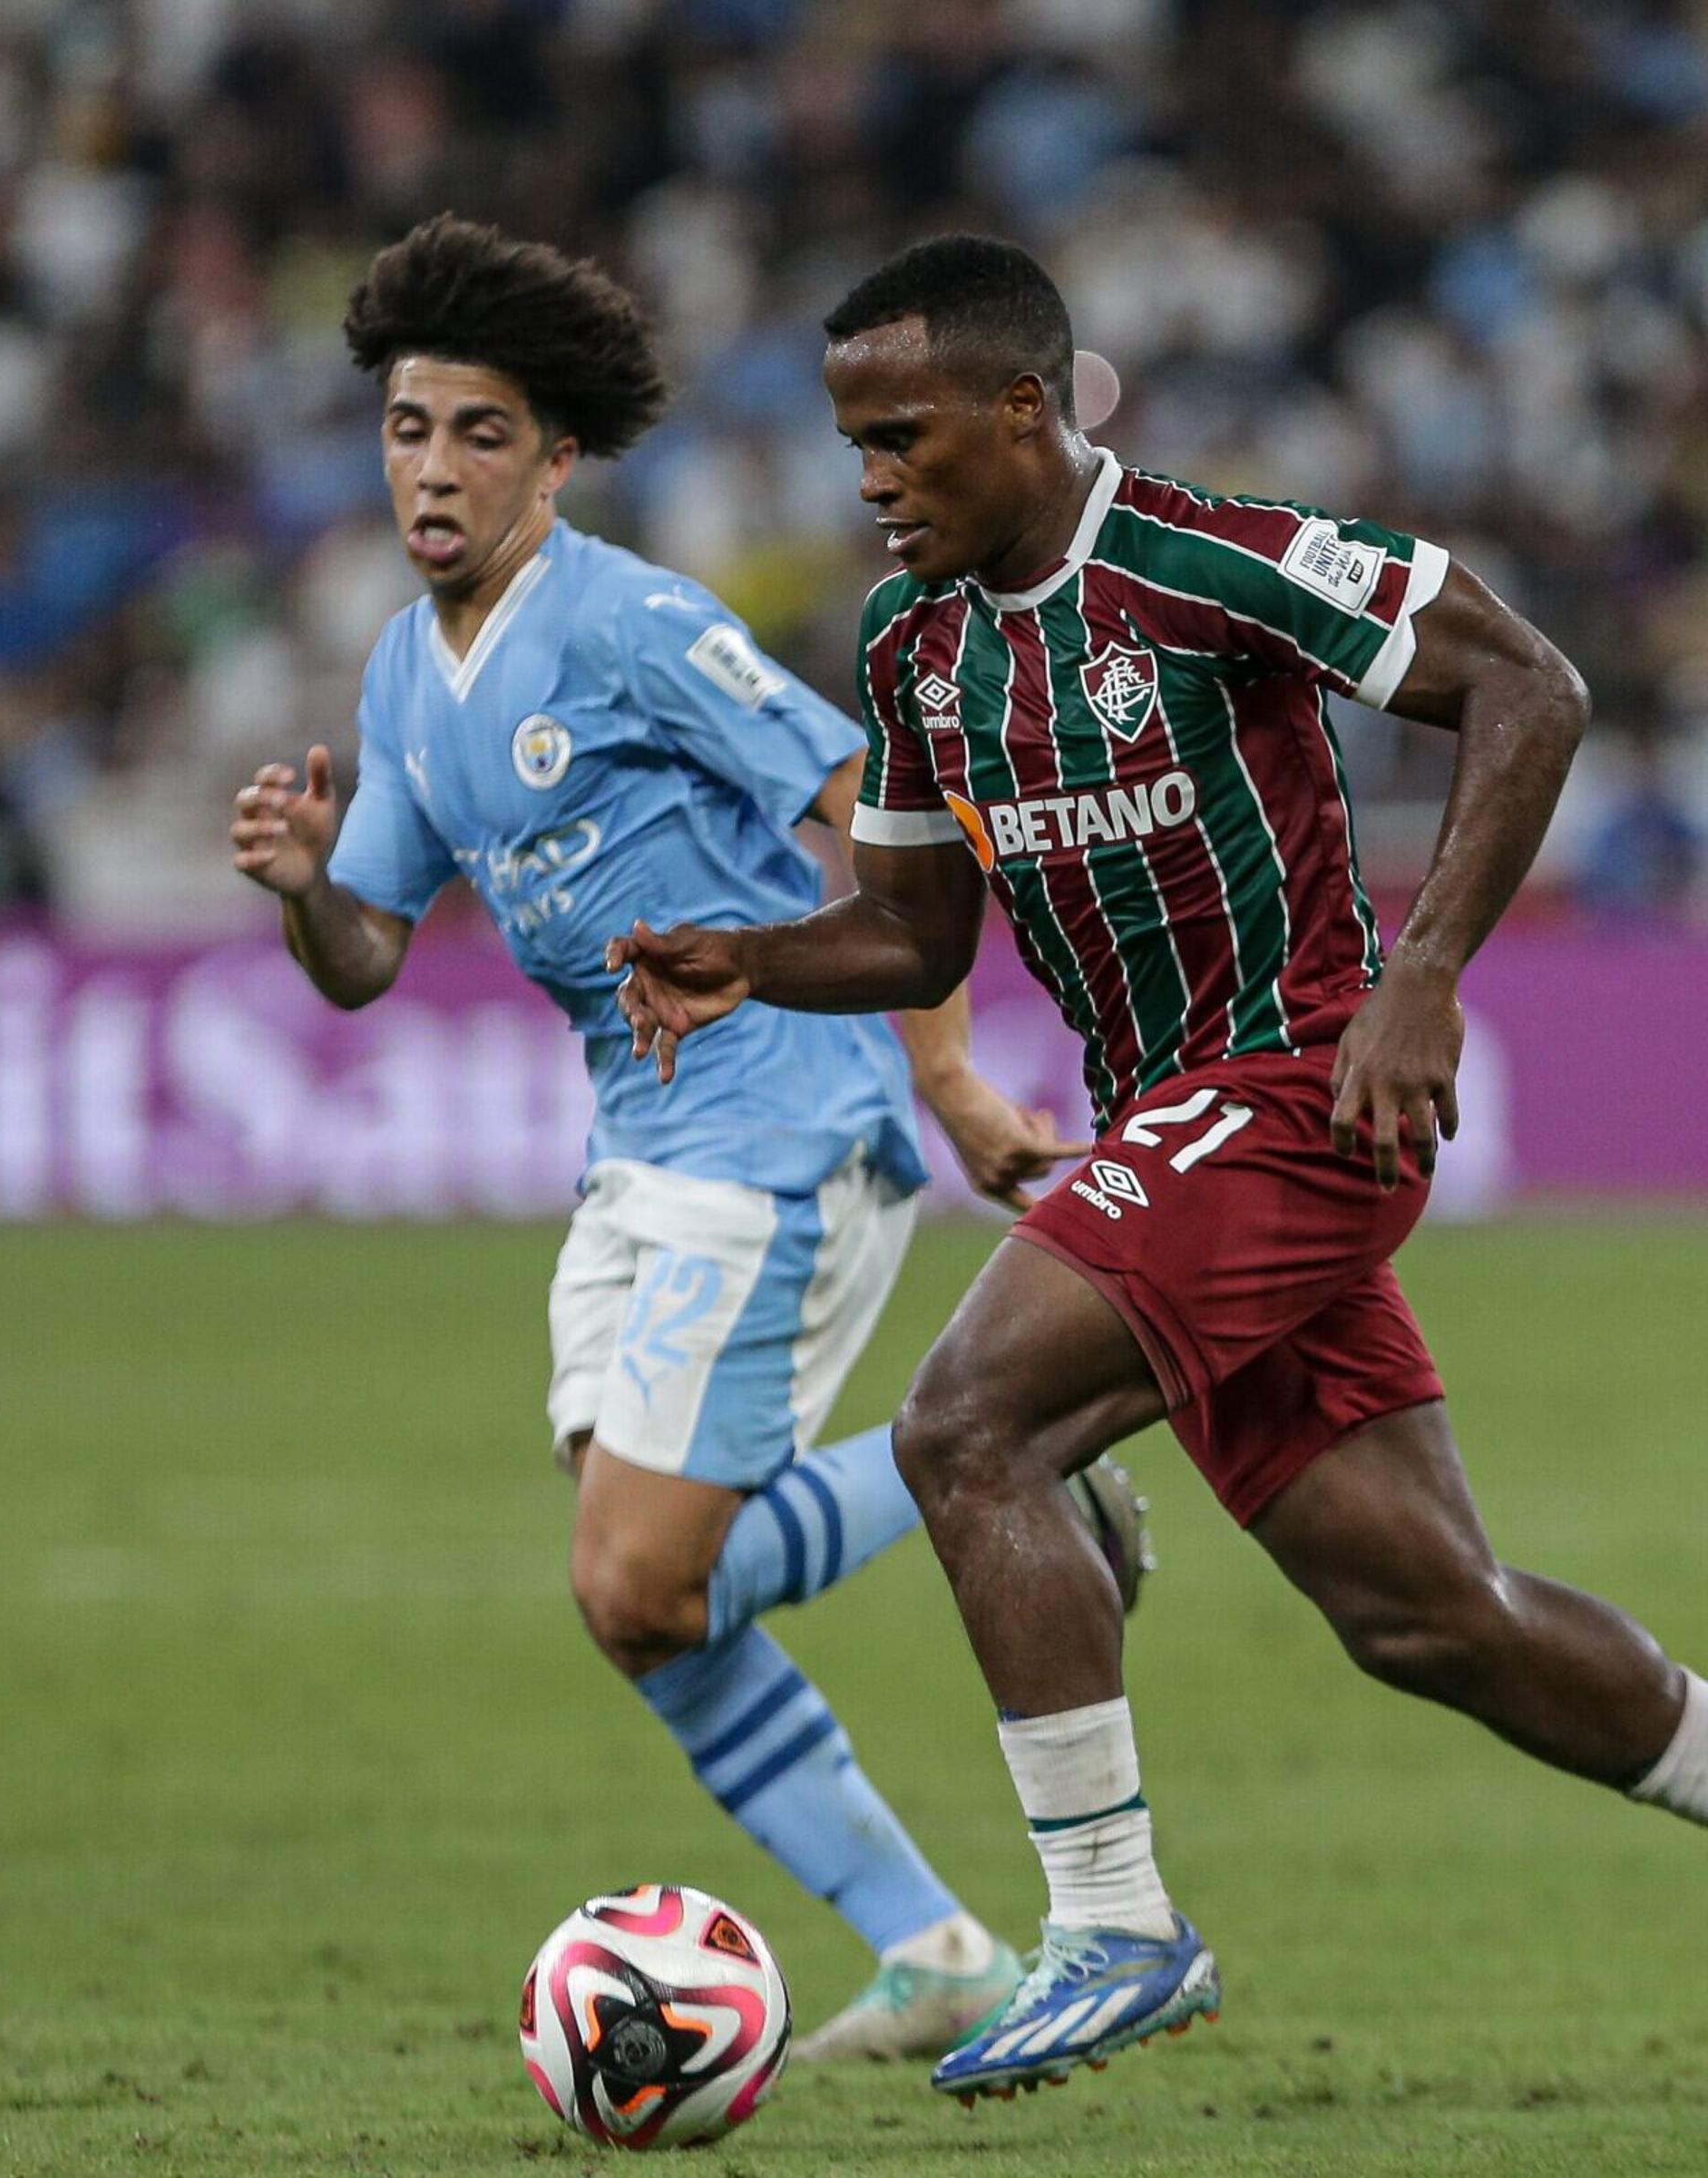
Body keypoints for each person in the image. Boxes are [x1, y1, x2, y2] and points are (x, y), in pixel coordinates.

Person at [610, 236, 1708, 2100]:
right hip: (1165, 1123)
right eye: (856, 443)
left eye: (904, 437)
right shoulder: (913, 649)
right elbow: (917, 939)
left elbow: (1531, 685)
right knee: (1426, 1612)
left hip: (1298, 1094)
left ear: (1023, 411)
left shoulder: (1209, 559)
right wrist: (747, 956)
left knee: (964, 1427)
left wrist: (1421, 977)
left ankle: (1111, 1918)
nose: (872, 479)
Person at [231, 216, 1147, 2064]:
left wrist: (954, 1078)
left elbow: (882, 816)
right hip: (636, 1146)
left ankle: (1013, 1457)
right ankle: (941, 1948)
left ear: (555, 456)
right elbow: (365, 964)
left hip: (779, 1118)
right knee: (644, 1609)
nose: (434, 467)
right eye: (410, 429)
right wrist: (300, 887)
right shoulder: (410, 678)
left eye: (480, 434)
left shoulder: (635, 619)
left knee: (642, 1573)